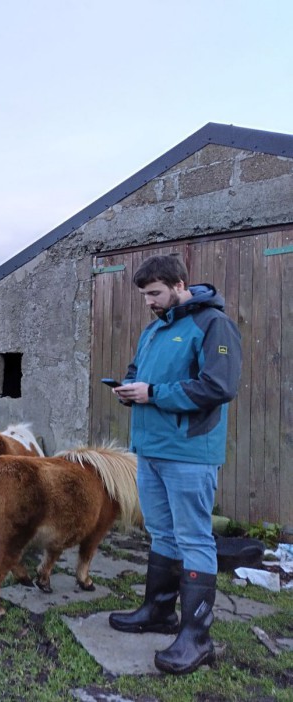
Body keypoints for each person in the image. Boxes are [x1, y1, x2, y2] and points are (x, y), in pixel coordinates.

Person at [107, 254, 241, 675]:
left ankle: (197, 638)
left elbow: (219, 385)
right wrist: (129, 387)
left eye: (155, 293)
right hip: (150, 449)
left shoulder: (213, 325)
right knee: (161, 531)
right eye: (145, 295)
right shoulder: (154, 330)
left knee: (194, 537)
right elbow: (138, 371)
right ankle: (158, 610)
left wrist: (153, 393)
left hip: (189, 452)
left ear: (180, 284)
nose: (148, 302)